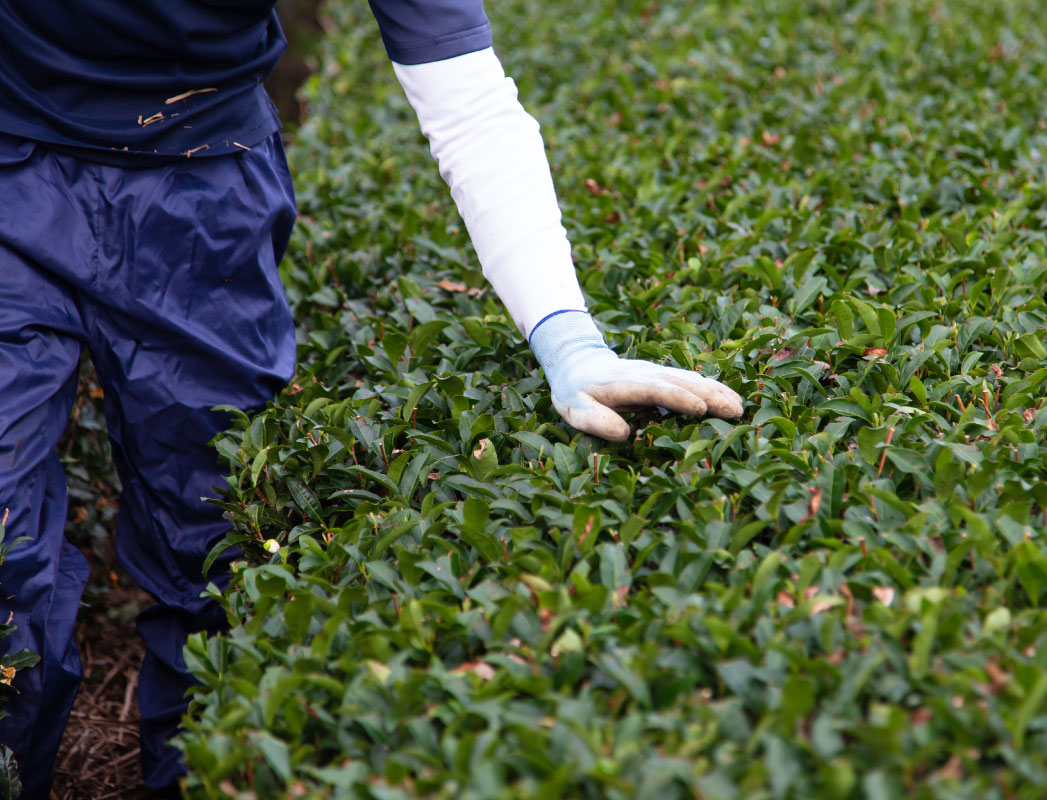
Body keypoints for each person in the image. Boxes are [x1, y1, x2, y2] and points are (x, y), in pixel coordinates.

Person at [0, 1, 742, 796]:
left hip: (198, 186)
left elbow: (468, 102)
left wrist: (567, 336)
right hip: (13, 160)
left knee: (210, 549)